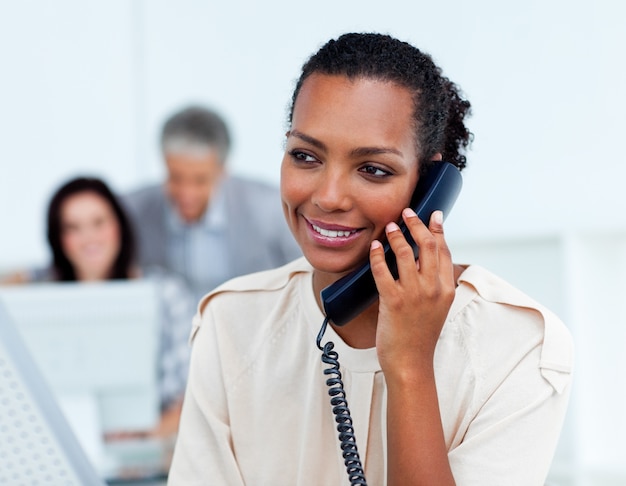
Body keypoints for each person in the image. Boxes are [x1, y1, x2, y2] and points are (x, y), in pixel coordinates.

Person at [168, 33, 574, 485]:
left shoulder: (518, 347)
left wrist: (409, 365)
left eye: (373, 169)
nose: (328, 197)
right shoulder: (230, 323)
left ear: (428, 187)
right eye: (305, 156)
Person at [3, 176, 195, 439]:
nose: (88, 238)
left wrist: (146, 439)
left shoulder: (167, 293)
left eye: (98, 223)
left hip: (150, 457)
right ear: (59, 238)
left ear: (119, 226)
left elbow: (194, 395)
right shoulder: (40, 297)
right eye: (73, 228)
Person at [122, 105, 302, 301]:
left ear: (223, 170)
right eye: (175, 177)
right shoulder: (132, 211)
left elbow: (306, 279)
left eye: (199, 180)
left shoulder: (270, 209)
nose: (186, 193)